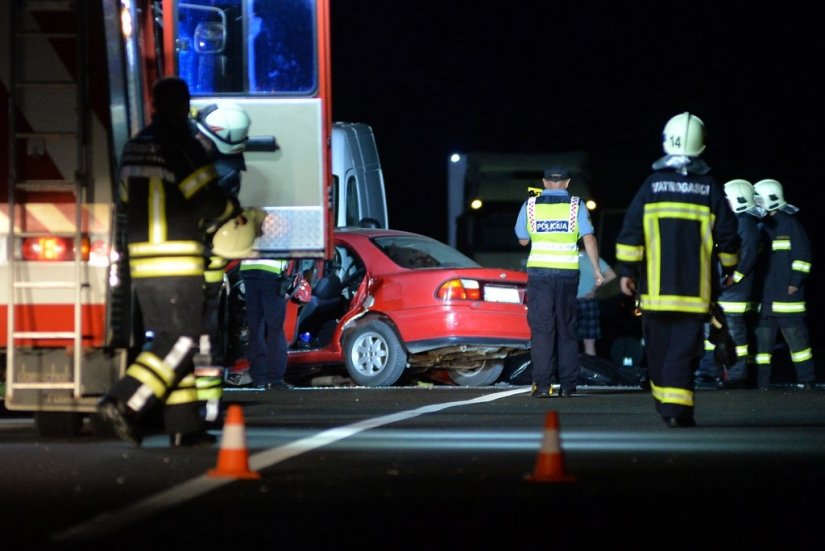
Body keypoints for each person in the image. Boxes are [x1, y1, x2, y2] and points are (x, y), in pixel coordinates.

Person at [96, 77, 240, 447]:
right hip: (177, 260)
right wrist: (236, 214)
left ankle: (184, 426)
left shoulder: (133, 146)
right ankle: (123, 402)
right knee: (182, 340)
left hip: (142, 262)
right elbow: (208, 202)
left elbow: (126, 201)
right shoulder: (183, 145)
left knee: (168, 338)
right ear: (183, 104)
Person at [615, 112, 740, 428]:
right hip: (694, 292)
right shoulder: (709, 187)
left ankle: (670, 405)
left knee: (658, 349)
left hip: (654, 291)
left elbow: (631, 230)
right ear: (701, 145)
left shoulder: (652, 185)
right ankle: (676, 408)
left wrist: (627, 271)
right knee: (684, 352)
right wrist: (730, 268)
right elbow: (727, 235)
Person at [514, 166, 605, 398]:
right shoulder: (577, 205)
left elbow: (523, 240)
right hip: (567, 274)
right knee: (567, 328)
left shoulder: (530, 205)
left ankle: (542, 385)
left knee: (542, 329)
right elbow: (589, 238)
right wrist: (596, 270)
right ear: (567, 183)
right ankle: (568, 386)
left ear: (544, 182)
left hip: (540, 275)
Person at [695, 179, 763, 389]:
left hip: (733, 295)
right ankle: (710, 371)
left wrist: (733, 277)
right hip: (723, 294)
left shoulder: (746, 226)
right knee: (712, 333)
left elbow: (747, 256)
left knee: (735, 337)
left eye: (727, 199)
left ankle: (736, 376)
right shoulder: (737, 223)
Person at [752, 179, 815, 391]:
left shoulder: (790, 224)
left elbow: (803, 257)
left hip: (788, 302)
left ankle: (807, 381)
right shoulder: (761, 227)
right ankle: (761, 385)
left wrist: (795, 283)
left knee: (799, 346)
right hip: (766, 302)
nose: (757, 203)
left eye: (759, 199)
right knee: (762, 350)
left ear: (770, 199)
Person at [240, 257, 295, 390]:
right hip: (271, 274)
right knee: (275, 328)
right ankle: (274, 379)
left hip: (249, 271)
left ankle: (259, 378)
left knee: (255, 328)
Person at [576, 240, 617, 356]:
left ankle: (567, 372)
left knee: (567, 339)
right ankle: (590, 372)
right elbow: (611, 275)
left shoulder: (568, 257)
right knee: (589, 342)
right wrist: (594, 288)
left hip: (569, 302)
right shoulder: (593, 258)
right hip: (588, 300)